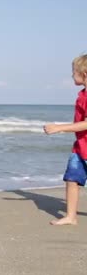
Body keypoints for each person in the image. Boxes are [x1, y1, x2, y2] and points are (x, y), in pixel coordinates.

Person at [44, 54, 87, 225]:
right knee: (72, 179)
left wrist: (59, 128)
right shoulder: (82, 95)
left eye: (73, 72)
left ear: (84, 74)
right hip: (80, 147)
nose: (71, 75)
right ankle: (70, 216)